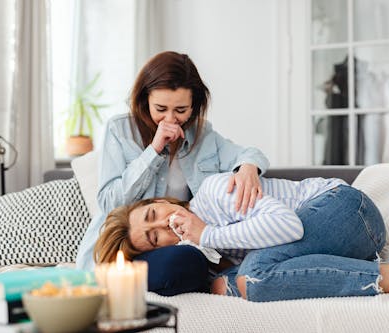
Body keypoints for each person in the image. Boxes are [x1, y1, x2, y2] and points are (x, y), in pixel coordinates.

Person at [94, 172, 389, 302]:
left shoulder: (214, 192)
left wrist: (207, 233)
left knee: (251, 277)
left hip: (346, 209)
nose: (164, 226)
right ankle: (382, 270)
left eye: (154, 215)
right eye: (154, 239)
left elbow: (290, 227)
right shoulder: (209, 247)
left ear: (159, 200)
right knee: (251, 276)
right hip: (349, 242)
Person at [76, 51, 269, 296]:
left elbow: (249, 153)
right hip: (128, 249)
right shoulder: (120, 130)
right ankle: (112, 284)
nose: (170, 119)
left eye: (180, 110)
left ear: (193, 106)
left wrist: (248, 168)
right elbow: (109, 203)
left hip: (177, 246)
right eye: (160, 108)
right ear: (145, 99)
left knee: (188, 260)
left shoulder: (202, 135)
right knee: (176, 266)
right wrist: (154, 150)